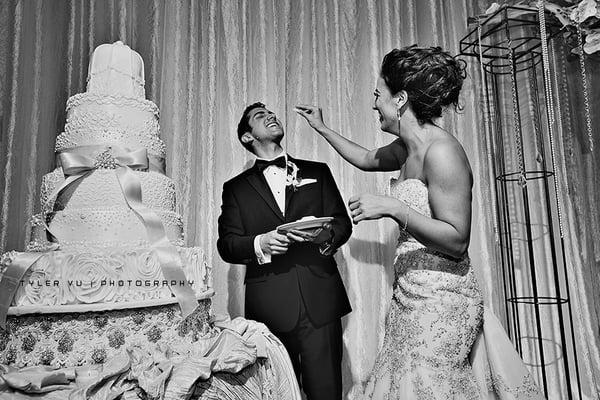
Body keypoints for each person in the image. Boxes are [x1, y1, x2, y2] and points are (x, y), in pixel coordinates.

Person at [296, 46, 544, 399]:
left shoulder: (442, 152)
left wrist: (395, 208)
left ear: (400, 100)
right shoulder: (406, 148)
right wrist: (321, 127)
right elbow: (366, 158)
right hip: (408, 295)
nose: (373, 104)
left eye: (377, 95)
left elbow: (458, 240)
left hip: (443, 300)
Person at [216, 102, 352, 400]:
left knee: (327, 392)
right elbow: (227, 244)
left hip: (320, 300)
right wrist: (259, 244)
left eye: (271, 113)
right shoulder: (235, 188)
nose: (271, 116)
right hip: (269, 308)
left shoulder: (318, 171)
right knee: (278, 393)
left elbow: (343, 223)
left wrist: (324, 235)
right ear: (247, 137)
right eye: (259, 116)